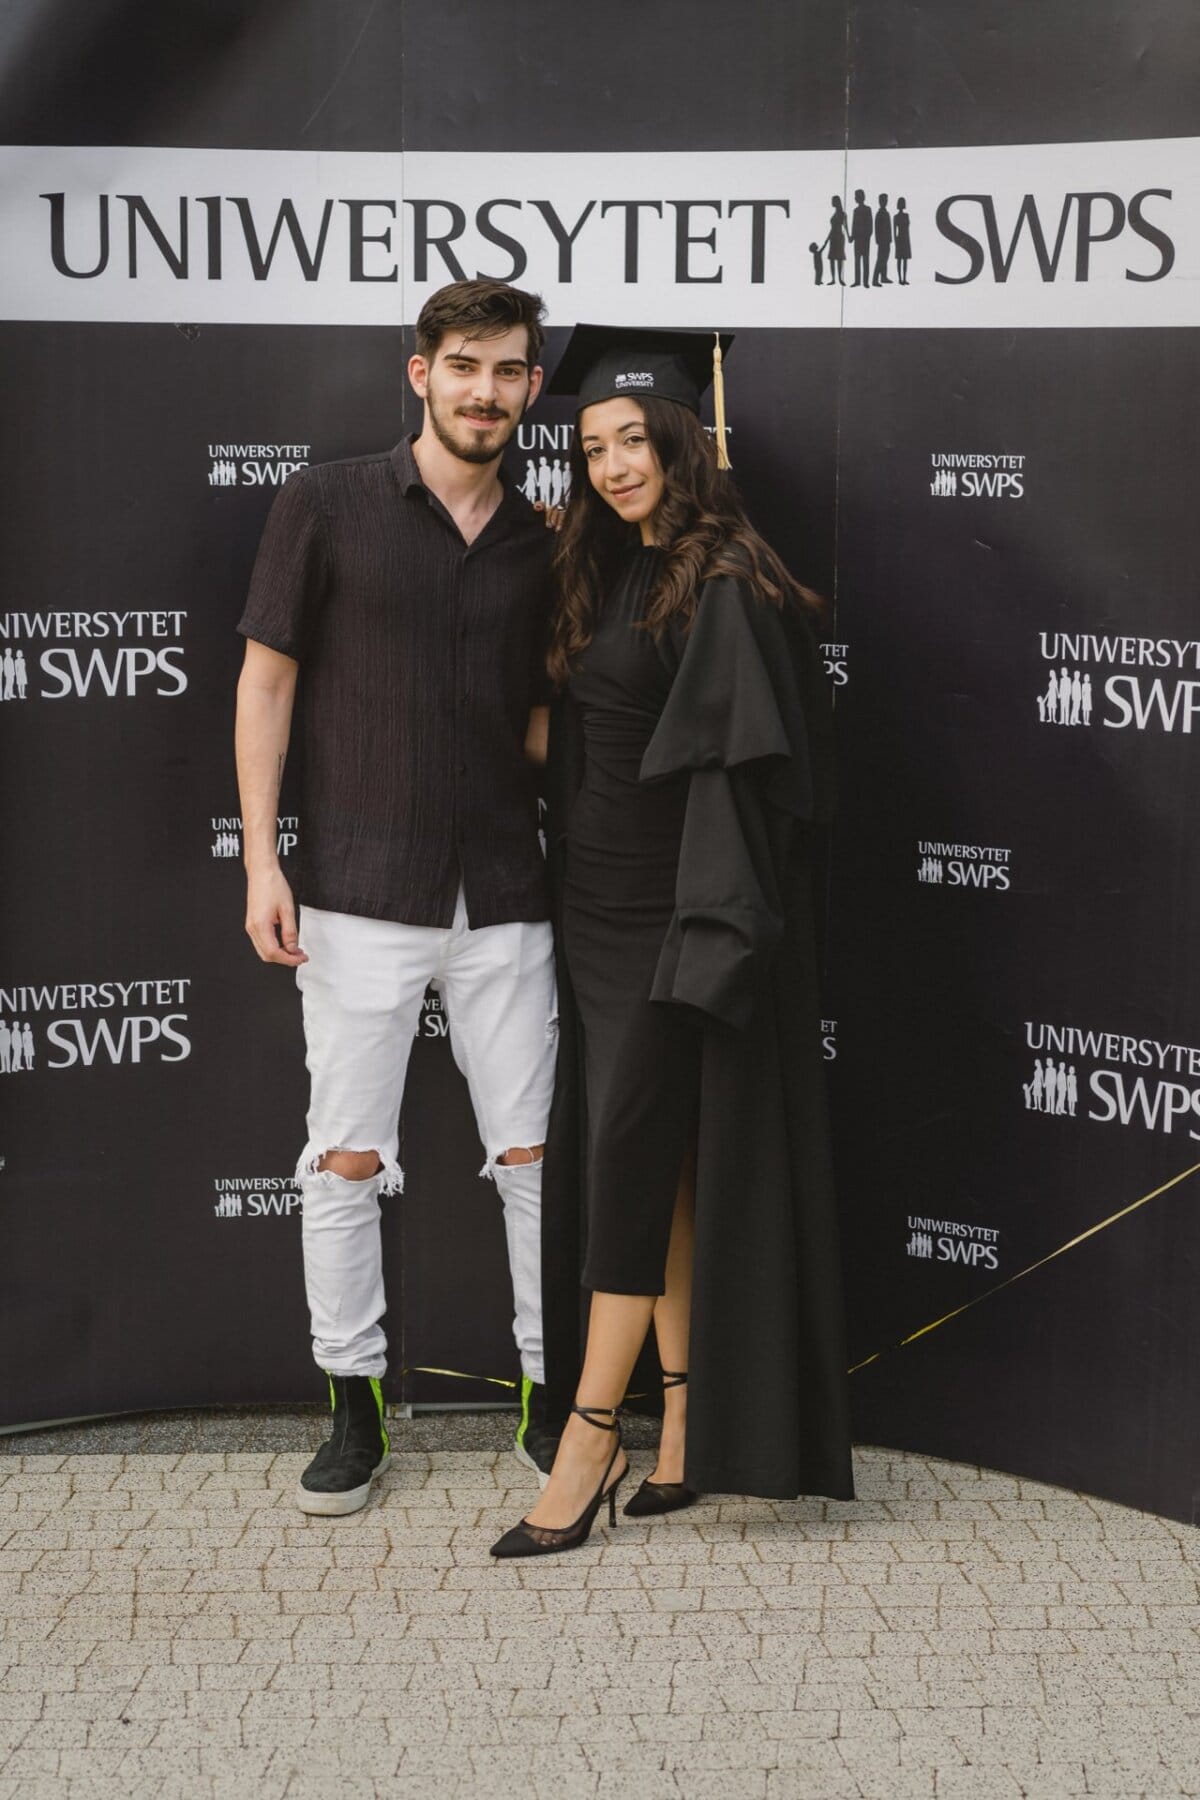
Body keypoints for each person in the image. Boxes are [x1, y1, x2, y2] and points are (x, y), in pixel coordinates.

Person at [491, 325, 853, 1559]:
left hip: (671, 912)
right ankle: (687, 1422)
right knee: (664, 1163)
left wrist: (711, 932)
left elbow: (749, 785)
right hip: (590, 904)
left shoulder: (726, 584)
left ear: (682, 443)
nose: (611, 464)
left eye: (633, 440)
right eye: (591, 445)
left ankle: (590, 1437)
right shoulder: (605, 569)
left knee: (629, 1166)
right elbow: (578, 738)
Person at [234, 278, 563, 1517]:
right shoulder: (321, 503)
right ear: (418, 372)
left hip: (509, 894)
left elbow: (539, 725)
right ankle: (353, 1408)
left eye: (510, 369)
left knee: (532, 1156)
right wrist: (264, 861)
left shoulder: (546, 540)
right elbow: (265, 688)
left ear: (533, 387)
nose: (488, 389)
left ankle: (550, 1400)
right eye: (466, 364)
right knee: (347, 1160)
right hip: (360, 892)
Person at [850, 190, 872, 287]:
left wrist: (868, 235)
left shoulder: (868, 209)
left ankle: (865, 282)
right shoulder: (855, 211)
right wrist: (852, 236)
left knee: (865, 260)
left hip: (865, 239)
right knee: (857, 261)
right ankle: (857, 281)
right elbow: (854, 226)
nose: (856, 198)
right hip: (858, 239)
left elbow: (870, 225)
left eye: (857, 196)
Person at [872, 193, 893, 286]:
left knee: (885, 259)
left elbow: (889, 228)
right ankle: (875, 280)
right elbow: (876, 228)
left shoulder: (886, 213)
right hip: (882, 241)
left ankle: (883, 277)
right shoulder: (879, 214)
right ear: (880, 201)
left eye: (886, 200)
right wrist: (878, 240)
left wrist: (890, 239)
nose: (885, 202)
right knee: (880, 259)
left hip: (887, 240)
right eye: (883, 200)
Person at [827, 197, 847, 286]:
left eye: (833, 201)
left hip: (839, 237)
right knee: (832, 258)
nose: (831, 202)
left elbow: (845, 226)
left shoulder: (842, 214)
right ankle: (833, 279)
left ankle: (839, 278)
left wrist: (849, 236)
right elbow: (832, 229)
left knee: (839, 258)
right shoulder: (835, 213)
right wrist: (827, 239)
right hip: (833, 237)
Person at [894, 198, 911, 285]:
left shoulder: (905, 216)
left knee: (903, 260)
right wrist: (895, 241)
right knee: (901, 260)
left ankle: (903, 278)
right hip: (901, 238)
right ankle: (900, 279)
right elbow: (894, 231)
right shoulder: (897, 217)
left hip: (904, 238)